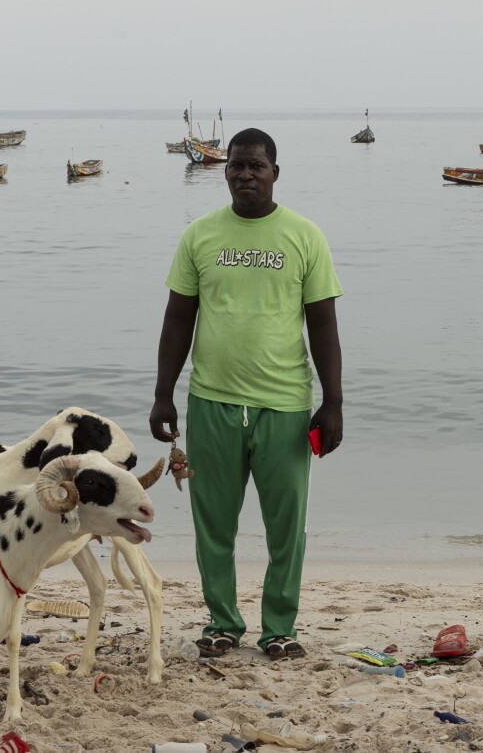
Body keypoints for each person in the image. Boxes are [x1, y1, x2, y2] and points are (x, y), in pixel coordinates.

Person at [150, 127, 343, 661]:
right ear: (226, 170)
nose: (245, 175)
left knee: (287, 527)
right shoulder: (200, 236)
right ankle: (222, 622)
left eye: (256, 166)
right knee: (213, 521)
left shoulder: (305, 236)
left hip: (284, 403)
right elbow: (176, 320)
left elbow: (323, 325)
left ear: (275, 173)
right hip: (212, 400)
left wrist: (334, 402)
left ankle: (279, 627)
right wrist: (164, 394)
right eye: (236, 165)